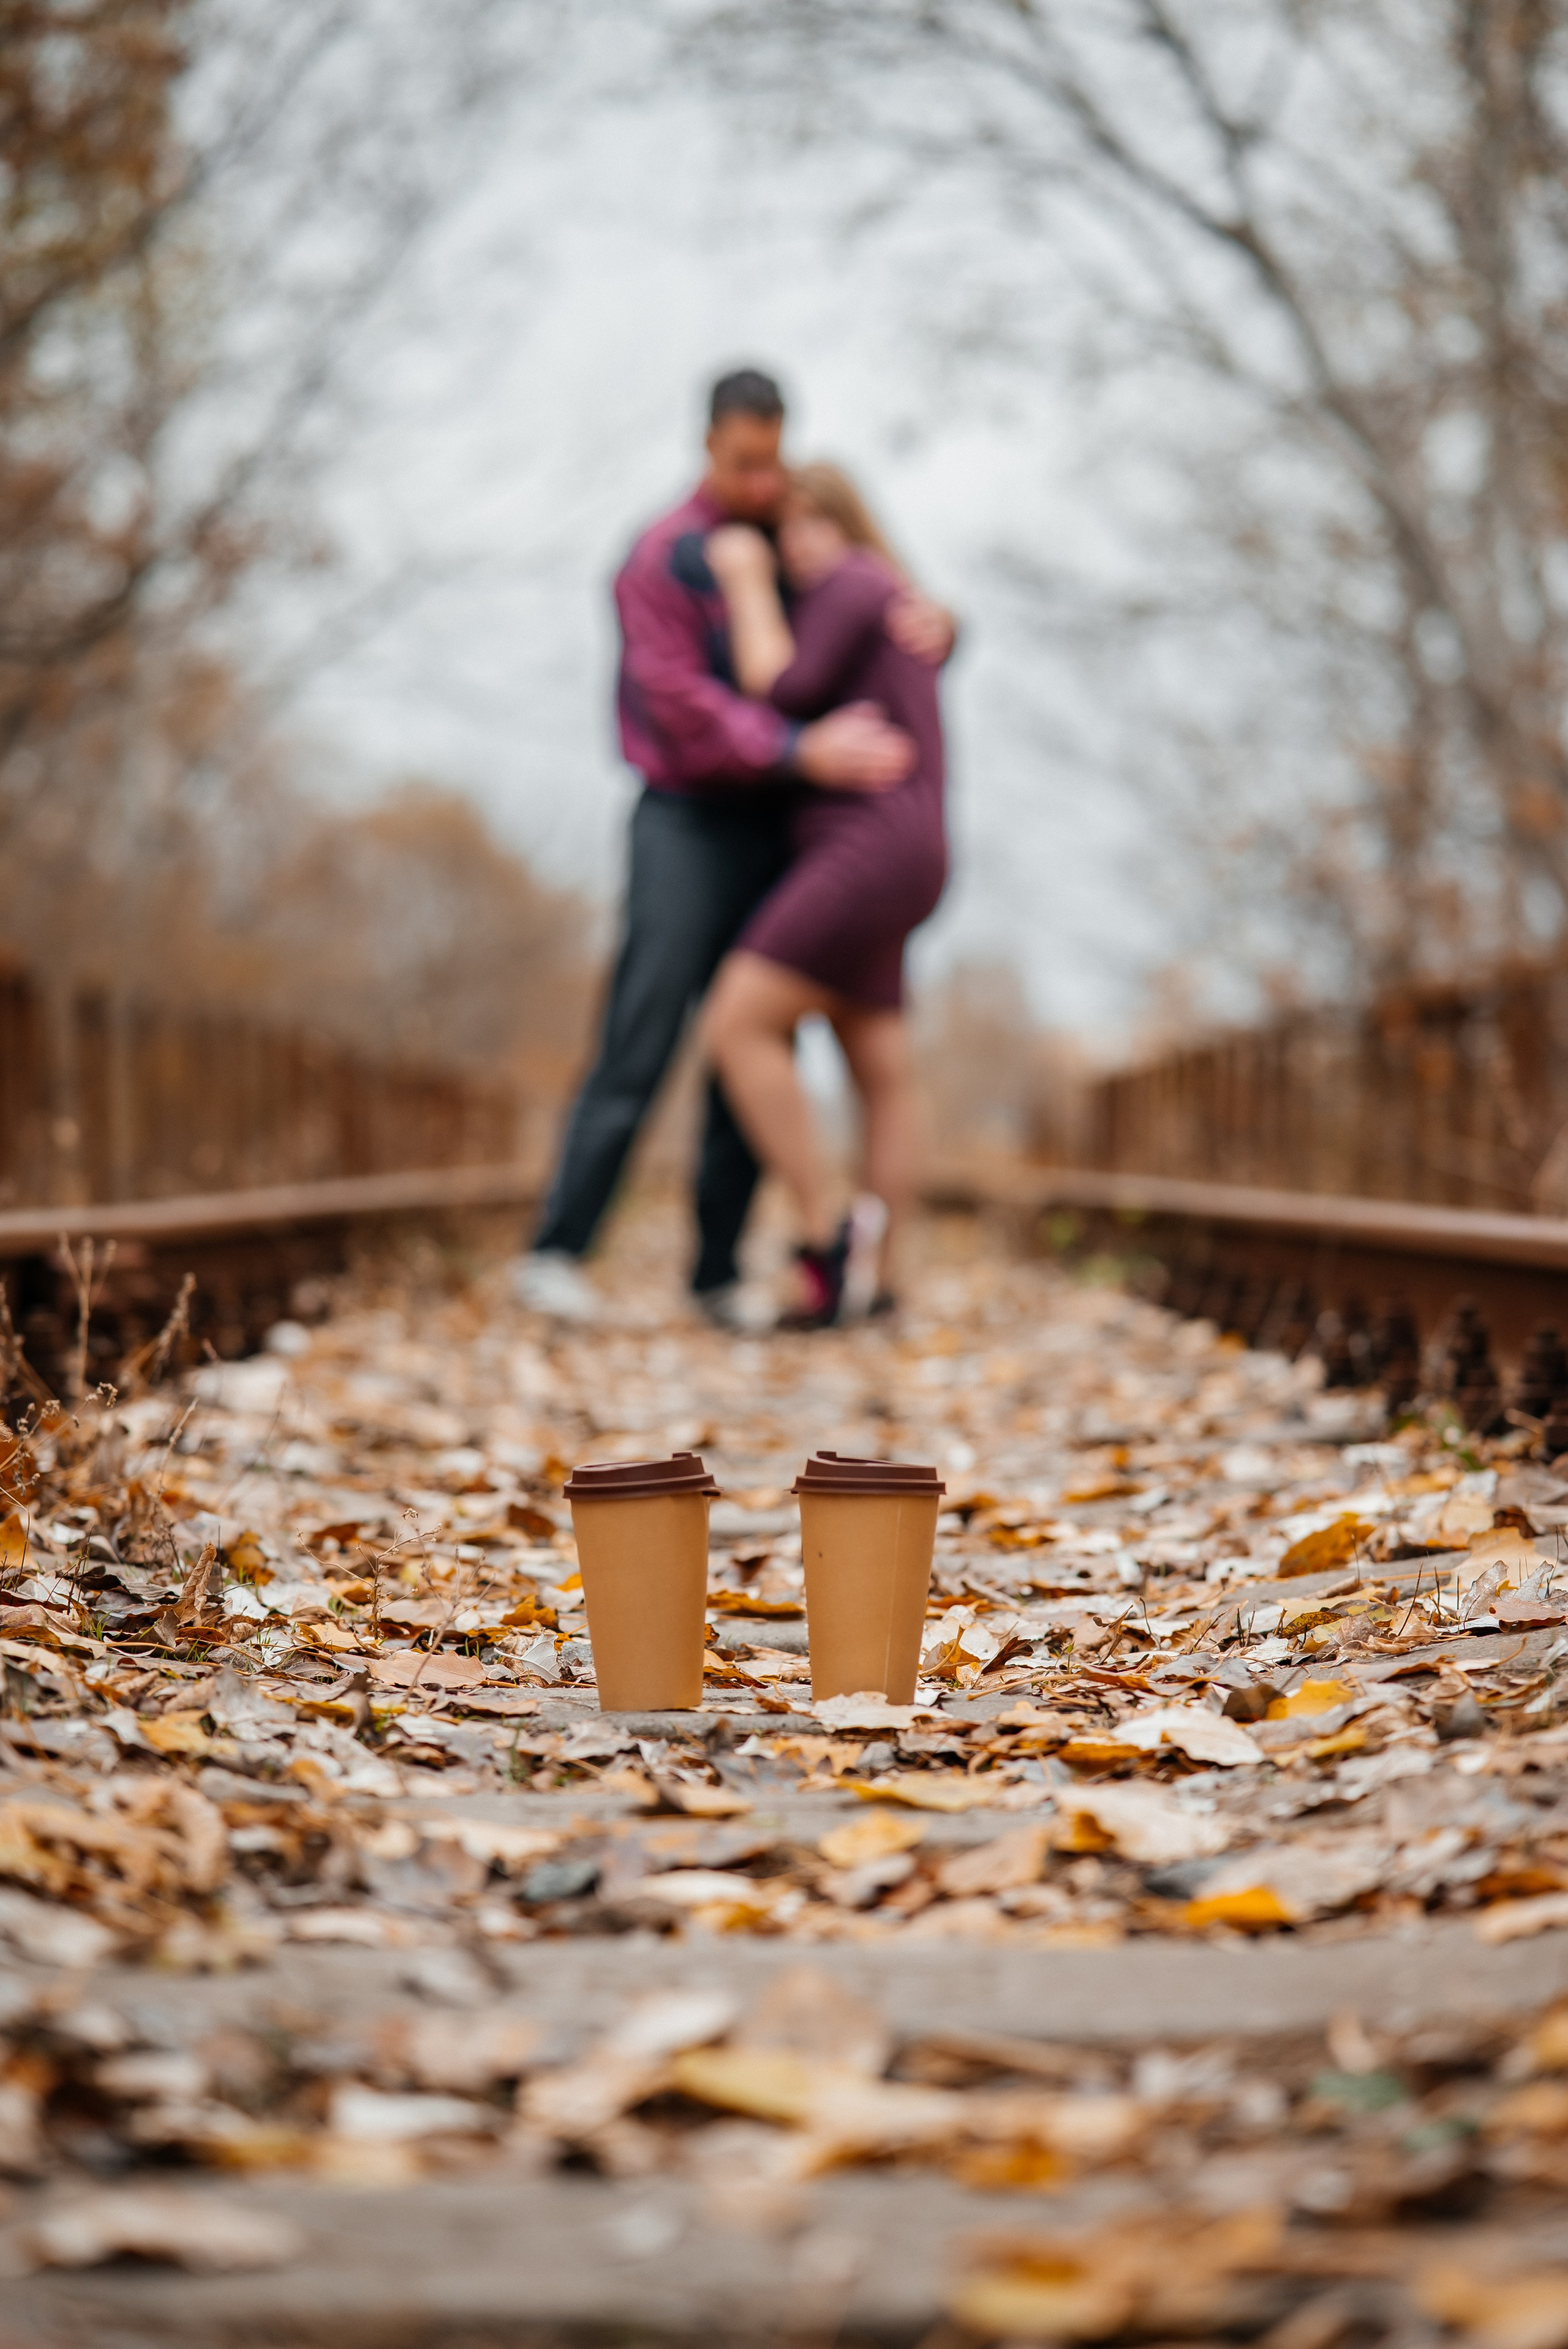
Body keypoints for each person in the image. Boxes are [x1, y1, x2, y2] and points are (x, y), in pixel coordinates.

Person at [513, 369, 949, 1326]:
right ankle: (559, 1249)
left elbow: (872, 625)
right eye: (745, 464)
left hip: (780, 823)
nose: (761, 483)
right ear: (709, 445)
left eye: (774, 463)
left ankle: (715, 1270)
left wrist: (948, 624)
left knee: (752, 1046)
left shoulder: (793, 540)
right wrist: (796, 749)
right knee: (647, 1025)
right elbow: (680, 704)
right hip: (685, 816)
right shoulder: (664, 557)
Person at [699, 462, 951, 1326]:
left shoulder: (855, 581)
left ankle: (821, 1243)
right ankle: (874, 1281)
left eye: (817, 525)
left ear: (850, 525)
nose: (800, 546)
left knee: (737, 1022)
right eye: (787, 533)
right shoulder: (888, 595)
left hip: (869, 846)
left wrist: (743, 578)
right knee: (880, 1066)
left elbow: (782, 687)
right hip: (909, 849)